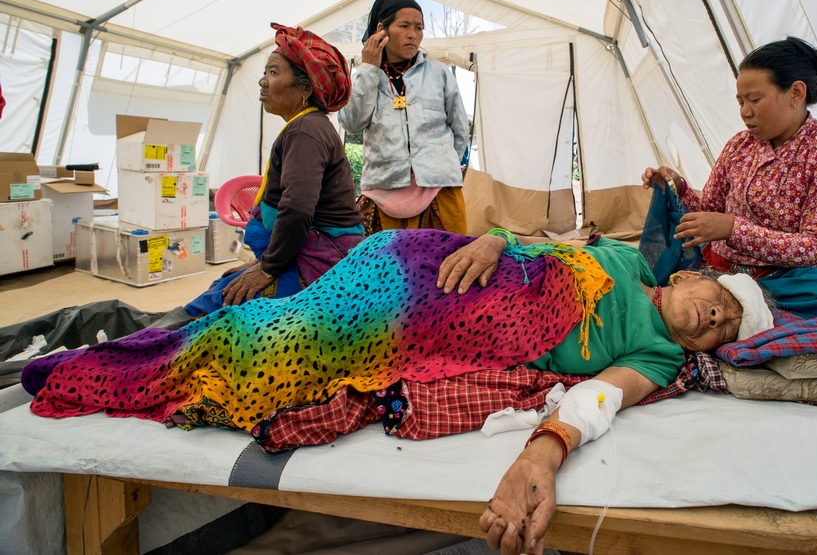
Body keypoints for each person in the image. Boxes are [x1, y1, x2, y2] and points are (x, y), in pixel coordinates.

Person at [23, 227, 772, 554]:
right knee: (285, 319)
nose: (716, 317)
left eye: (724, 329)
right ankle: (141, 351)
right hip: (430, 261)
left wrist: (544, 452)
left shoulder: (656, 353)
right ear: (688, 274)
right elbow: (541, 247)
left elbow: (595, 400)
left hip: (441, 322)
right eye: (723, 297)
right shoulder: (615, 255)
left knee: (270, 350)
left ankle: (122, 365)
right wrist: (496, 241)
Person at [641, 37, 817, 340]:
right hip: (723, 276)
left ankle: (737, 322)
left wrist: (733, 229)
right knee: (681, 296)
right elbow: (708, 211)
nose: (745, 112)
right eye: (740, 102)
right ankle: (757, 324)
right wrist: (677, 186)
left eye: (754, 100)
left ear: (795, 93)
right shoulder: (739, 146)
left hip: (789, 280)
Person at [185, 23, 364, 316]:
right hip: (300, 256)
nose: (262, 82)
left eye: (273, 72)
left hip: (316, 265)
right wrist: (265, 262)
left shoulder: (305, 131)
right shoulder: (307, 126)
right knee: (223, 287)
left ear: (305, 88)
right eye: (265, 72)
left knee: (212, 311)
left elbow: (296, 210)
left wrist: (268, 268)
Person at [340, 0, 470, 235]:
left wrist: (440, 166)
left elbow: (459, 130)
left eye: (419, 27)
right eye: (404, 26)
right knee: (389, 271)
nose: (413, 34)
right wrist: (369, 70)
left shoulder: (439, 74)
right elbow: (352, 123)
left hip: (439, 193)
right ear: (381, 30)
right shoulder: (365, 77)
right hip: (383, 194)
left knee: (446, 267)